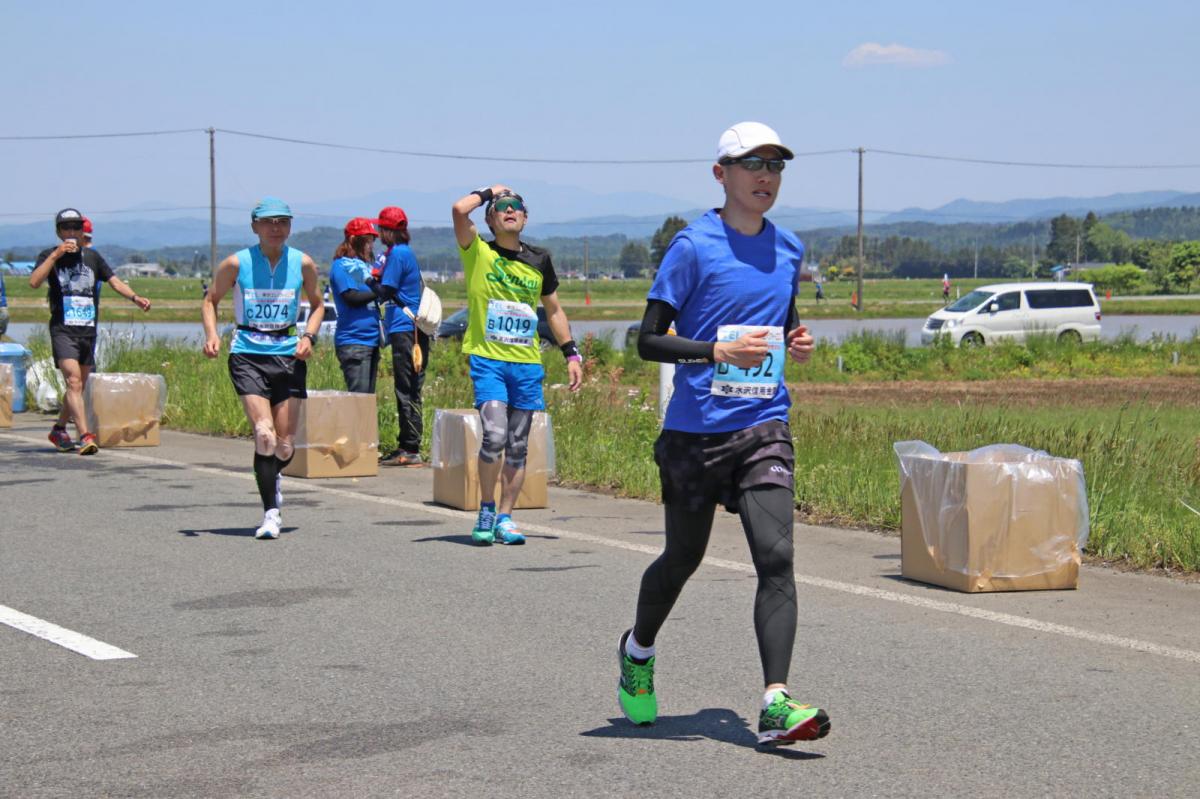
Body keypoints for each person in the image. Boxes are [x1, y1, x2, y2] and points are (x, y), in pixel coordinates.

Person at [616, 122, 831, 747]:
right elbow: (648, 339)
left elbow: (782, 319)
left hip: (763, 426)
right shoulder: (693, 246)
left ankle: (774, 703)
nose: (766, 176)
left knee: (778, 557)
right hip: (693, 435)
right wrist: (715, 350)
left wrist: (798, 339)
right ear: (721, 174)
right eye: (752, 164)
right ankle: (637, 649)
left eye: (776, 166)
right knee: (683, 559)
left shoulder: (788, 248)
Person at [451, 185, 583, 545]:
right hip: (489, 360)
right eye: (502, 208)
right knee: (493, 436)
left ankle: (507, 518)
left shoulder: (539, 259)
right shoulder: (478, 252)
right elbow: (460, 210)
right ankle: (487, 508)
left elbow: (553, 310)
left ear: (525, 218)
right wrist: (489, 191)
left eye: (516, 208)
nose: (510, 210)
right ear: (491, 219)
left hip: (526, 364)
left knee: (518, 445)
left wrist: (571, 353)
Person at [201, 197, 324, 540]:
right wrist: (212, 335)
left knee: (285, 446)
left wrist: (310, 337)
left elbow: (317, 306)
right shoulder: (236, 263)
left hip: (288, 355)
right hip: (248, 353)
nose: (275, 228)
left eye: (282, 222)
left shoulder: (303, 263)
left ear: (290, 226)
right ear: (254, 226)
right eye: (268, 222)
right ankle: (271, 513)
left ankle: (272, 474)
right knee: (264, 435)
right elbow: (210, 300)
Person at [29, 208, 151, 455]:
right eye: (67, 228)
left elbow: (114, 281)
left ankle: (59, 428)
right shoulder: (49, 256)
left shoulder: (93, 257)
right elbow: (34, 282)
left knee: (80, 385)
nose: (72, 233)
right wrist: (55, 256)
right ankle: (85, 435)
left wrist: (135, 298)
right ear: (59, 232)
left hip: (87, 330)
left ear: (83, 231)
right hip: (63, 329)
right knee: (73, 381)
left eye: (76, 228)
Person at [373, 206, 429, 467]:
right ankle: (407, 443)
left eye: (380, 229)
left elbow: (385, 290)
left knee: (406, 387)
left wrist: (366, 280)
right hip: (411, 328)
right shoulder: (405, 252)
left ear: (387, 231)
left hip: (405, 328)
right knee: (410, 386)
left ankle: (410, 446)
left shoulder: (397, 254)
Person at [329, 217, 383, 394]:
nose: (371, 246)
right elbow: (351, 298)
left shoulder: (363, 267)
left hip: (371, 340)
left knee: (367, 401)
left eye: (372, 241)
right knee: (358, 401)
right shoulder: (341, 266)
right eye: (367, 241)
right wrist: (380, 291)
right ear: (353, 240)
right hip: (354, 341)